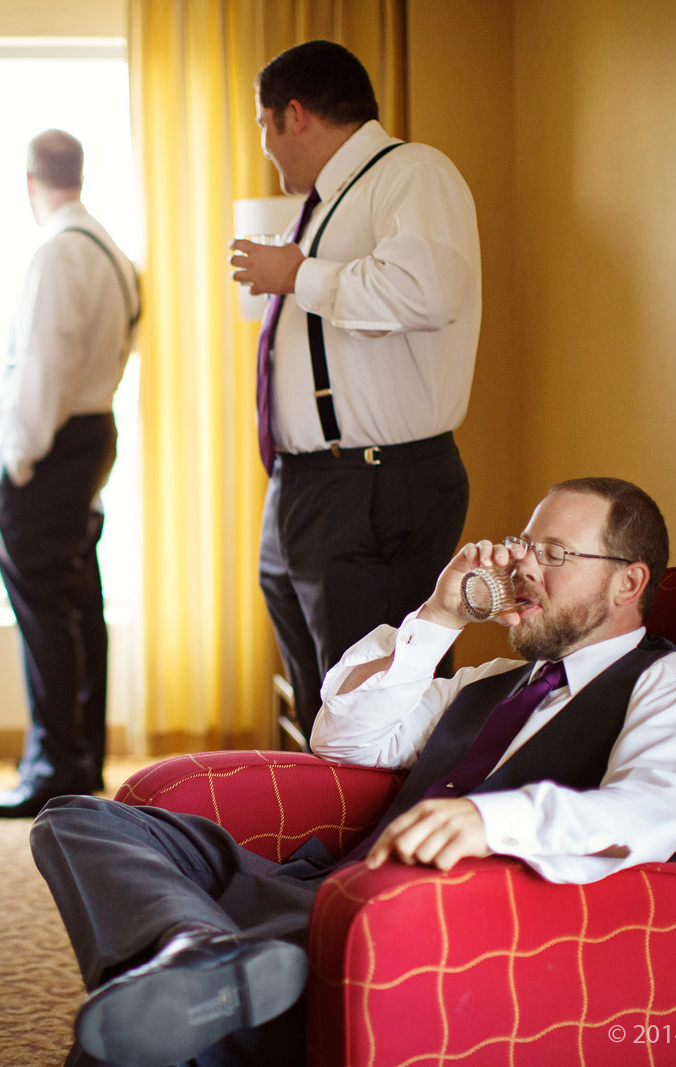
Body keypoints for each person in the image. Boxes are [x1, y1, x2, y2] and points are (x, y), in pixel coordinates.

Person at [31, 477, 676, 1066]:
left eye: (555, 553)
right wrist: (440, 614)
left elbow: (651, 811)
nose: (524, 567)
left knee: (127, 1043)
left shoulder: (666, 686)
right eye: (525, 545)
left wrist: (489, 819)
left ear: (628, 580)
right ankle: (201, 953)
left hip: (405, 932)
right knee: (77, 819)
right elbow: (345, 742)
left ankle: (201, 976)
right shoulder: (494, 680)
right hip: (310, 892)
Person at [229, 41, 482, 743]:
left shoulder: (412, 173)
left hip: (371, 484)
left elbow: (426, 291)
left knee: (372, 704)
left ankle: (383, 816)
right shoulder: (321, 205)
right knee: (323, 696)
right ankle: (326, 811)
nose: (265, 146)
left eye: (263, 124)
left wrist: (297, 275)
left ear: (294, 115)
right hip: (310, 483)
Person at [0, 130, 141, 820]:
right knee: (77, 598)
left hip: (56, 444)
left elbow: (46, 368)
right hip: (94, 434)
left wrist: (20, 458)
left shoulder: (58, 253)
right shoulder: (111, 252)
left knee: (44, 607)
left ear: (30, 182)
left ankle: (52, 768)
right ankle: (80, 754)